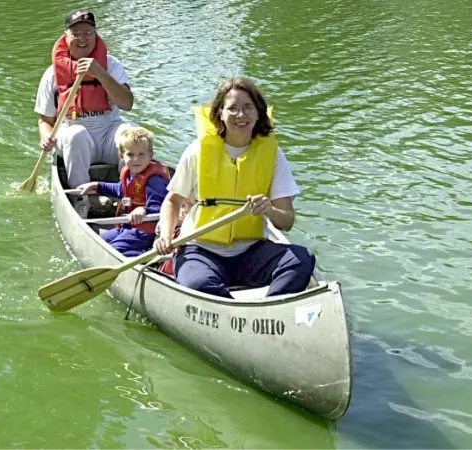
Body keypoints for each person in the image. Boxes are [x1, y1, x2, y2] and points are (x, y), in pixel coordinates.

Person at [153, 76, 316, 298]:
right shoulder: (198, 150)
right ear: (220, 113)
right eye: (233, 109)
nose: (241, 115)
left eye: (248, 107)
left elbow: (286, 221)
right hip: (201, 250)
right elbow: (172, 201)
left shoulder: (273, 154)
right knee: (198, 284)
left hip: (251, 251)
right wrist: (166, 234)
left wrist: (268, 209)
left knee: (302, 259)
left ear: (259, 112)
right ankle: (229, 307)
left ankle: (269, 307)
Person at [34, 9, 136, 214]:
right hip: (73, 133)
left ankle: (131, 196)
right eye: (76, 33)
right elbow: (45, 120)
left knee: (132, 134)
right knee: (76, 135)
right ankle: (81, 198)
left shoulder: (111, 64)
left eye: (88, 33)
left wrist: (99, 72)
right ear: (66, 37)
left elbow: (126, 104)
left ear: (96, 35)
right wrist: (46, 136)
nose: (83, 39)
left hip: (108, 131)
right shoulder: (52, 73)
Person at [77, 127, 169, 257]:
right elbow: (122, 190)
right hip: (128, 226)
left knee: (113, 251)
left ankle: (144, 255)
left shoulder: (155, 180)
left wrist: (143, 210)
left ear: (151, 155)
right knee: (97, 243)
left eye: (141, 154)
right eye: (130, 154)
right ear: (121, 156)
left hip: (146, 230)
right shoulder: (130, 173)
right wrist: (98, 186)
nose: (136, 159)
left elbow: (161, 207)